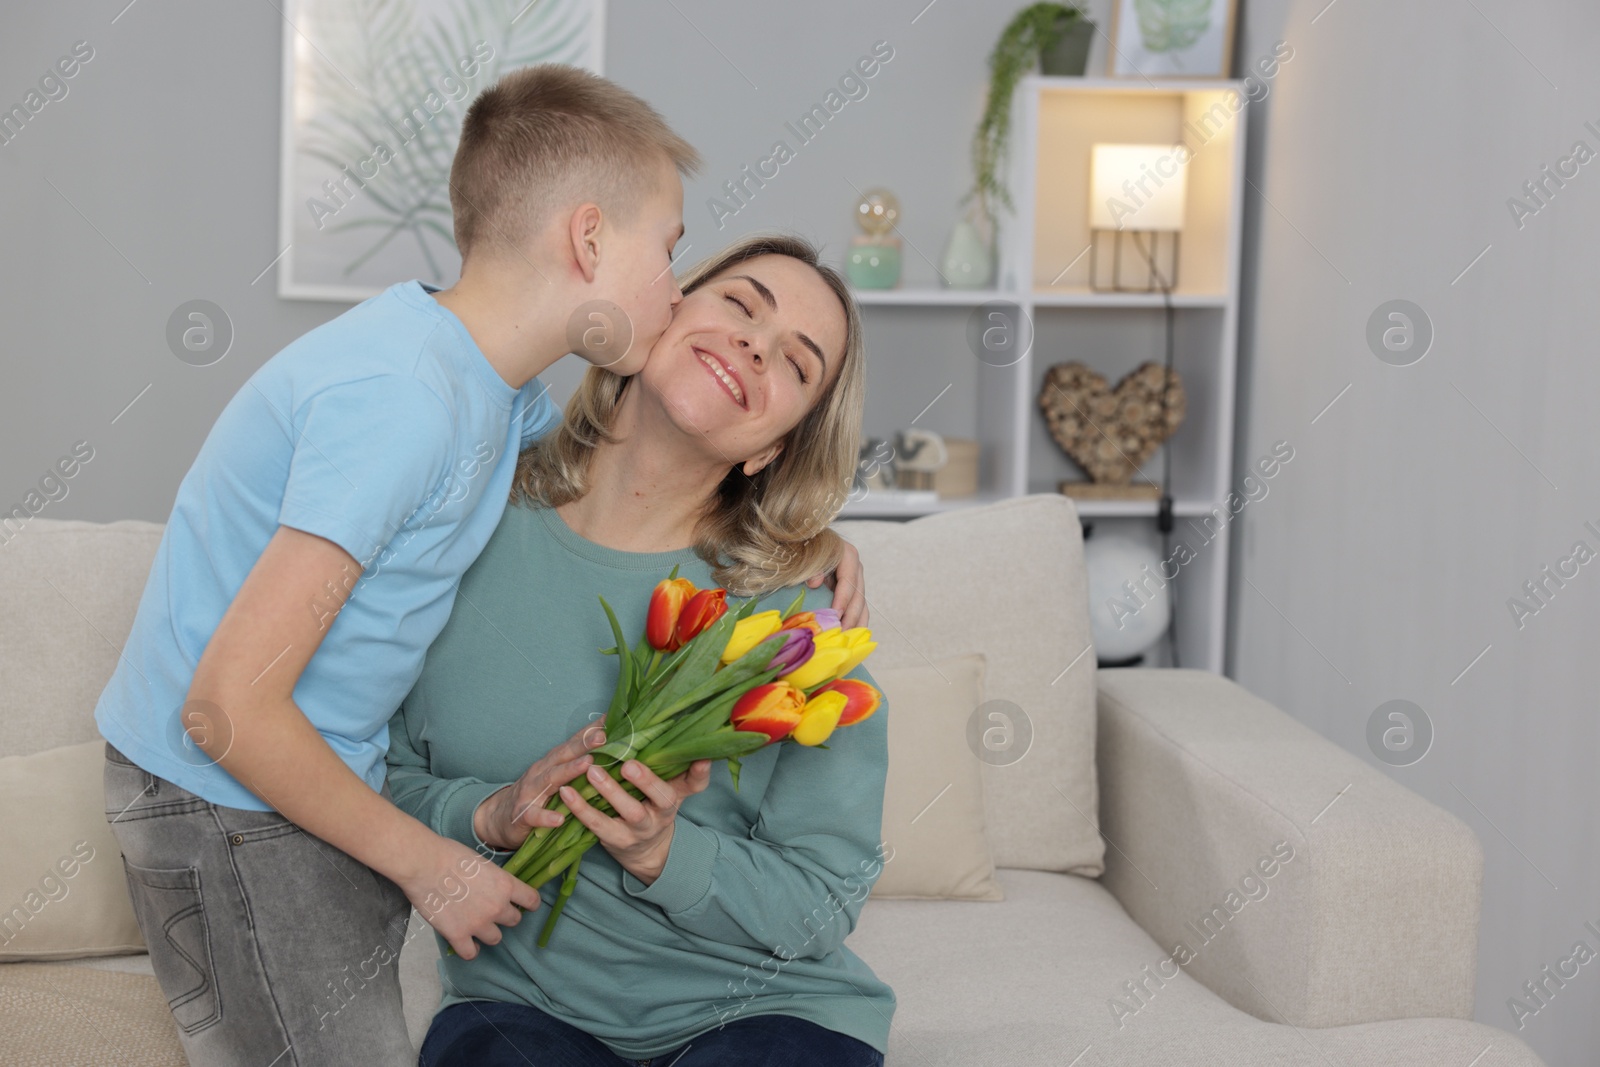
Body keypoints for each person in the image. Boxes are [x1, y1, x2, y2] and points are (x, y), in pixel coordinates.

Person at [94, 67, 865, 1066]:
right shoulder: (407, 401)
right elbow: (227, 707)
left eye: (795, 361)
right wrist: (437, 865)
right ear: (589, 239)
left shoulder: (489, 400)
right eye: (672, 254)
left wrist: (822, 534)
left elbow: (602, 466)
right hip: (225, 790)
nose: (674, 291)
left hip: (297, 786)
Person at [389, 233, 893, 1067]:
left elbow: (824, 900)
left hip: (766, 1014)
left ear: (772, 447)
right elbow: (371, 771)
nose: (753, 347)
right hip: (519, 1009)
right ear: (662, 313)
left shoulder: (802, 625)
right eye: (740, 305)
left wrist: (666, 851)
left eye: (796, 364)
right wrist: (491, 814)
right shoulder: (462, 521)